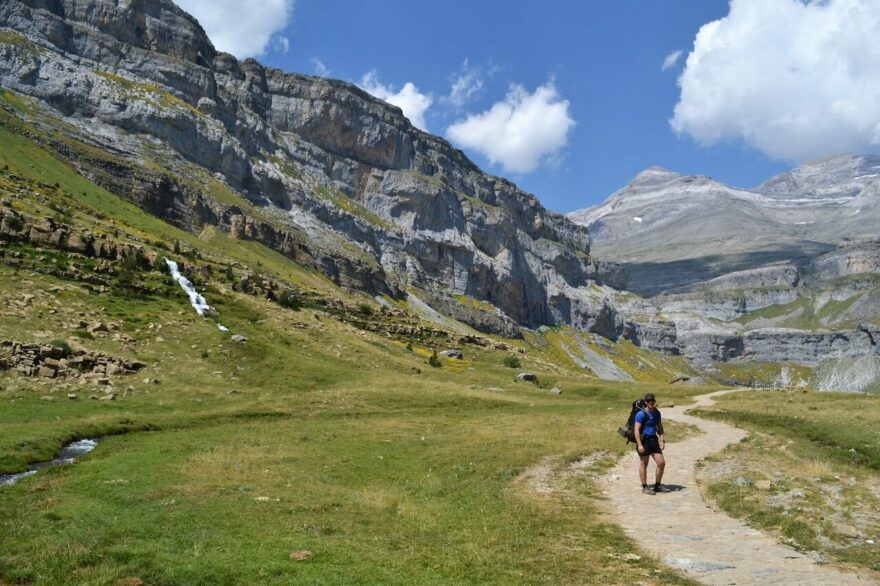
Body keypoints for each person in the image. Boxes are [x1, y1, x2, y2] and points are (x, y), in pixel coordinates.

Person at [634, 392, 666, 495]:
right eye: (649, 401)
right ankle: (645, 487)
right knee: (644, 463)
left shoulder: (657, 413)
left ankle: (657, 486)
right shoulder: (641, 414)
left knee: (661, 463)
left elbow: (659, 427)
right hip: (644, 441)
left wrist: (662, 440)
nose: (651, 403)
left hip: (654, 440)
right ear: (646, 402)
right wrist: (639, 444)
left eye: (652, 401)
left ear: (655, 401)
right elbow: (636, 430)